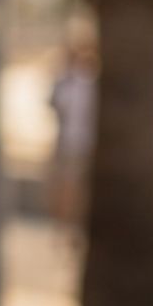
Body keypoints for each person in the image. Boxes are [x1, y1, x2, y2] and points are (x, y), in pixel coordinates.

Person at [47, 35, 97, 238]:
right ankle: (66, 228)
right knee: (67, 188)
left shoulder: (80, 82)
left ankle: (67, 228)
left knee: (71, 189)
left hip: (74, 144)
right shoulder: (74, 82)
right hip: (72, 143)